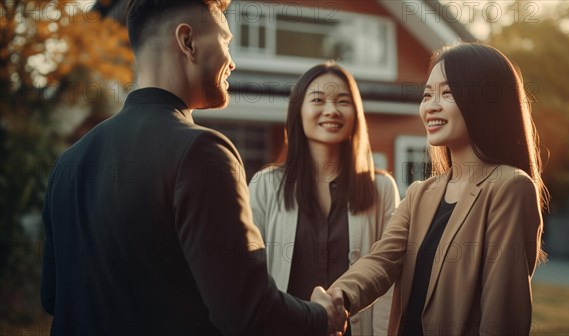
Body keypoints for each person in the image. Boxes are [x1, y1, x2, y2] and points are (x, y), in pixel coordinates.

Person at [40, 1, 346, 335]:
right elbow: (250, 313)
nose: (232, 61)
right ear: (187, 41)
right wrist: (321, 316)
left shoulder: (67, 164)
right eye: (226, 41)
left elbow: (53, 297)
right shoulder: (202, 153)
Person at [327, 42, 550, 336]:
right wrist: (335, 298)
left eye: (446, 93)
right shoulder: (420, 194)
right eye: (427, 94)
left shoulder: (509, 187)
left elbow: (502, 314)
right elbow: (380, 262)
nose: (430, 106)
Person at [249, 62, 399, 335]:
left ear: (356, 113)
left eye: (343, 101)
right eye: (318, 100)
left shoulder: (382, 188)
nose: (331, 110)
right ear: (298, 111)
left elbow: (389, 280)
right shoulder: (265, 186)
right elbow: (249, 276)